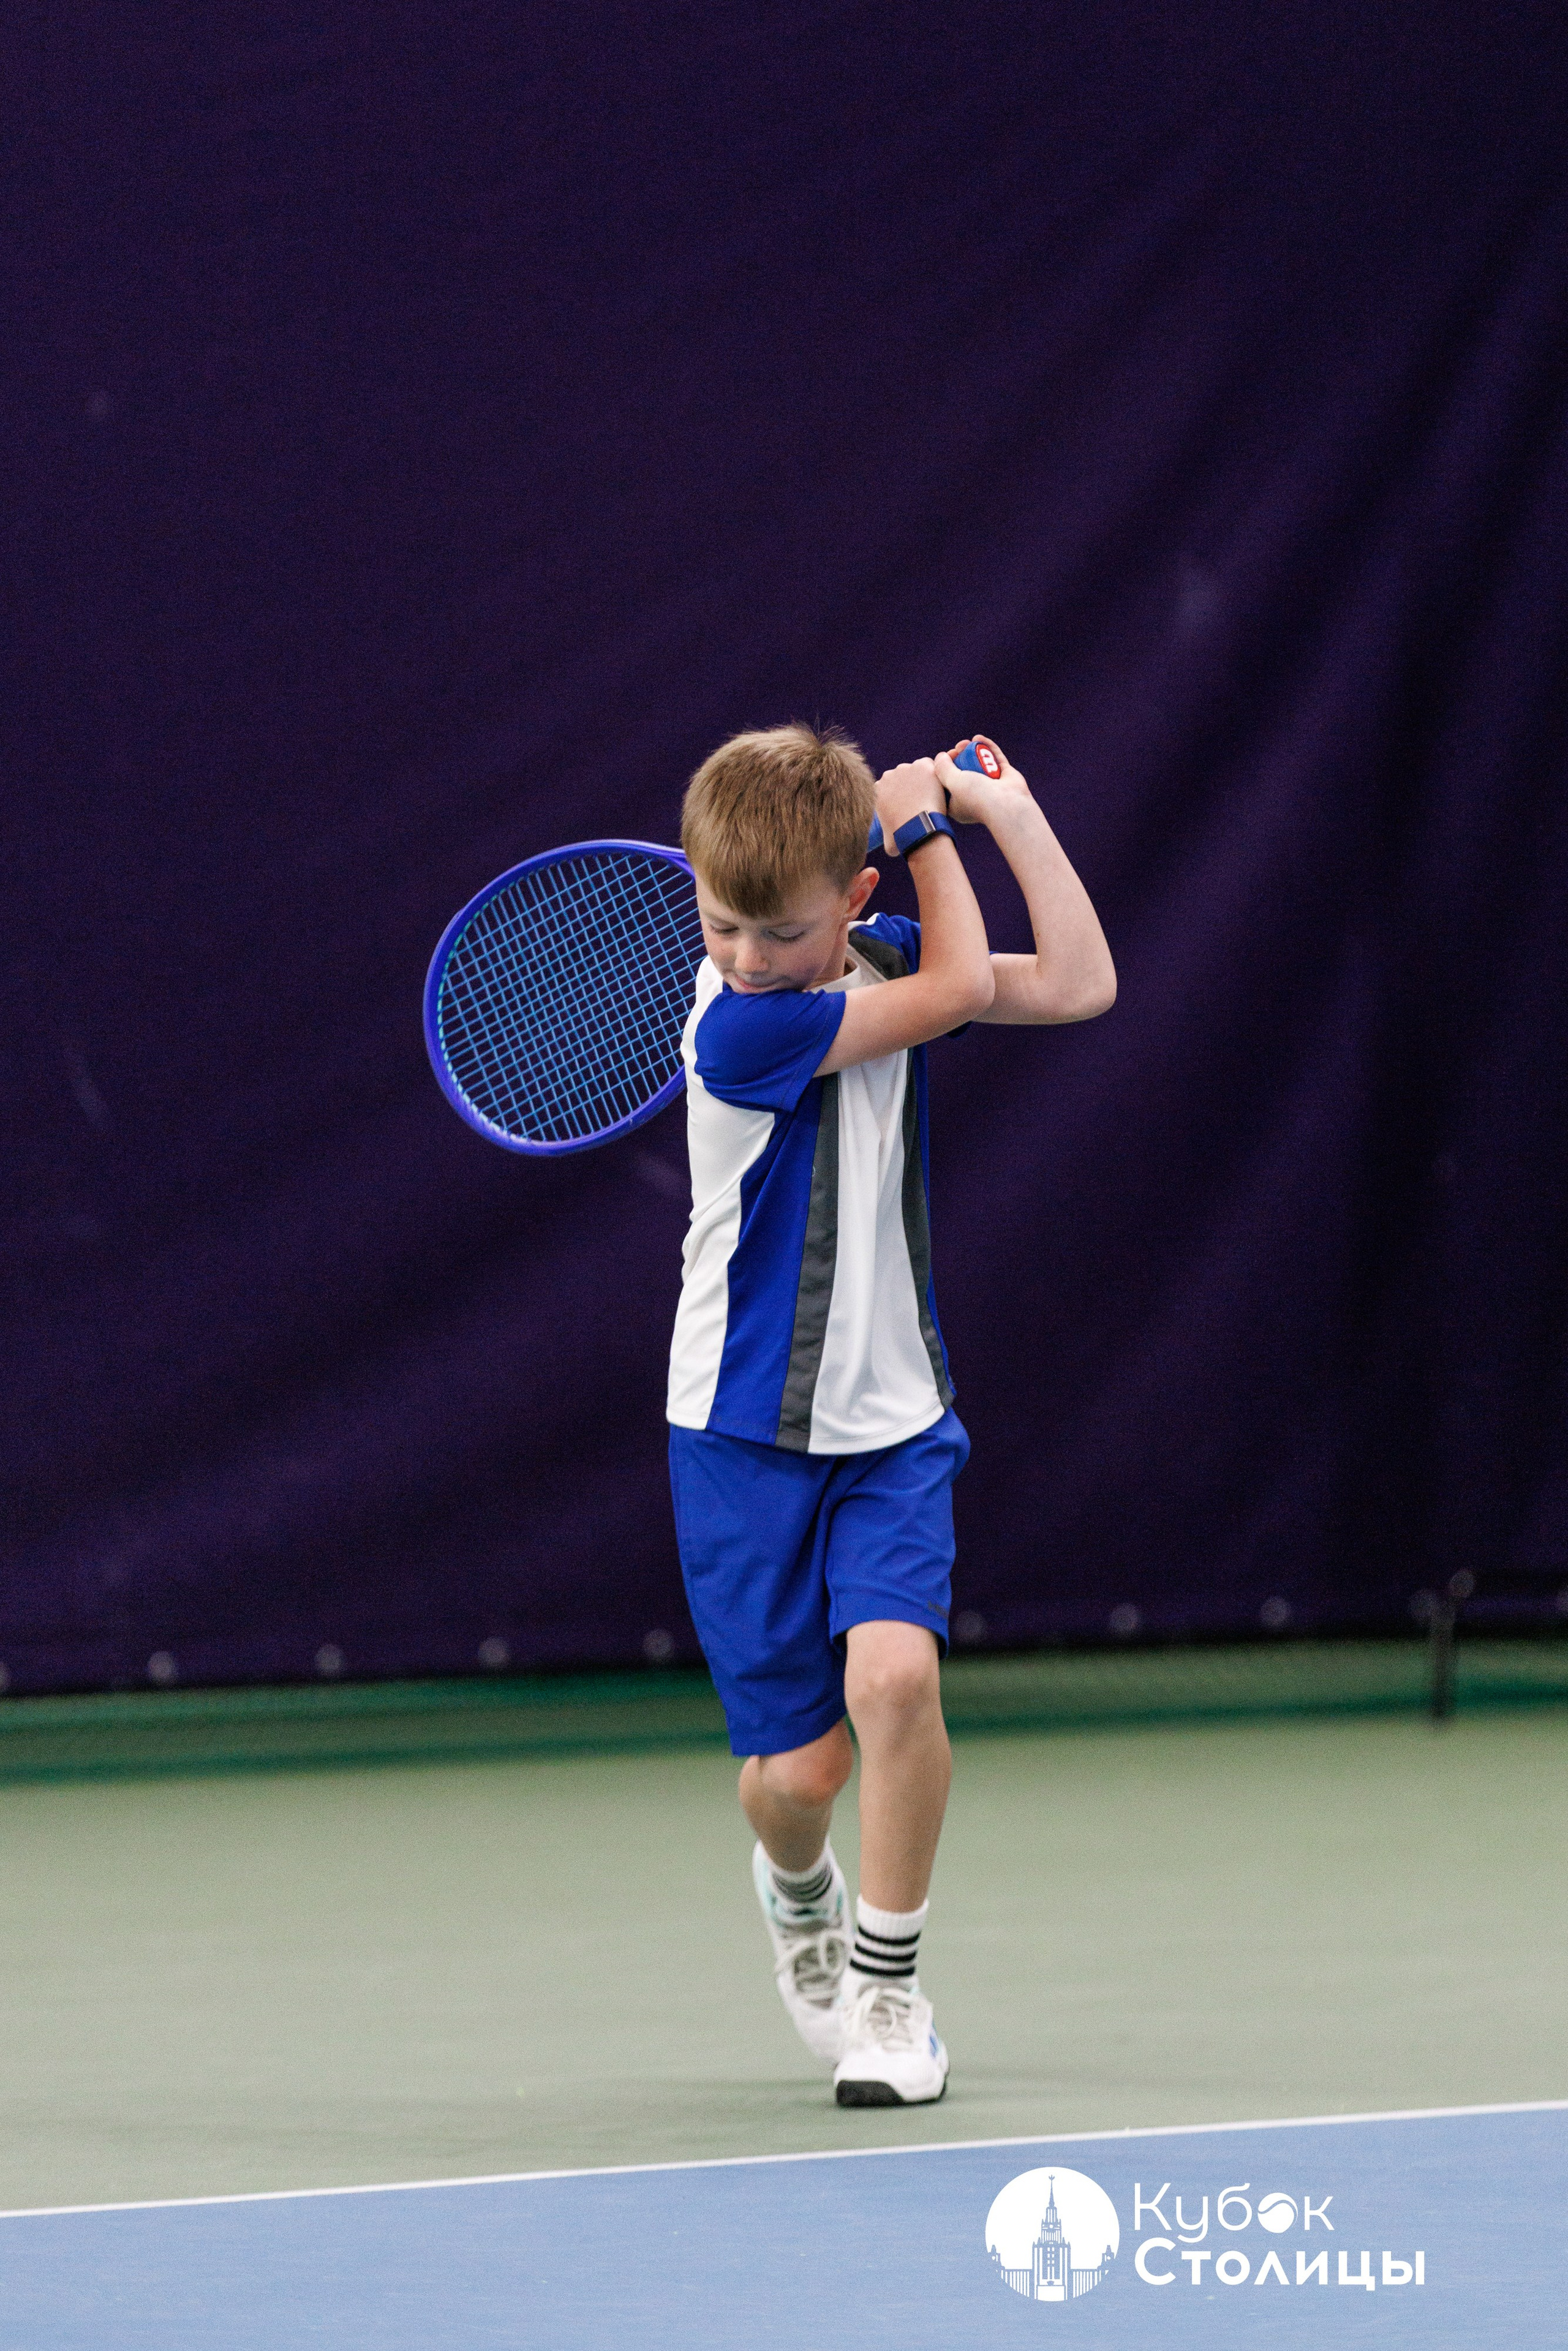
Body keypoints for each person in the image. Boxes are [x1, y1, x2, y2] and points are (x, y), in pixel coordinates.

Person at [666, 723, 1115, 2104]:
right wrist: (926, 826)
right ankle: (796, 1888)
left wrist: (1008, 811)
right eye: (723, 924)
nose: (747, 955)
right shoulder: (741, 1025)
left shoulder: (880, 957)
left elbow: (1082, 983)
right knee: (797, 1774)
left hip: (896, 1423)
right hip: (737, 1437)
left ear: (850, 901)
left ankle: (888, 1990)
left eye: (780, 931)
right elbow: (966, 983)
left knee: (898, 1683)